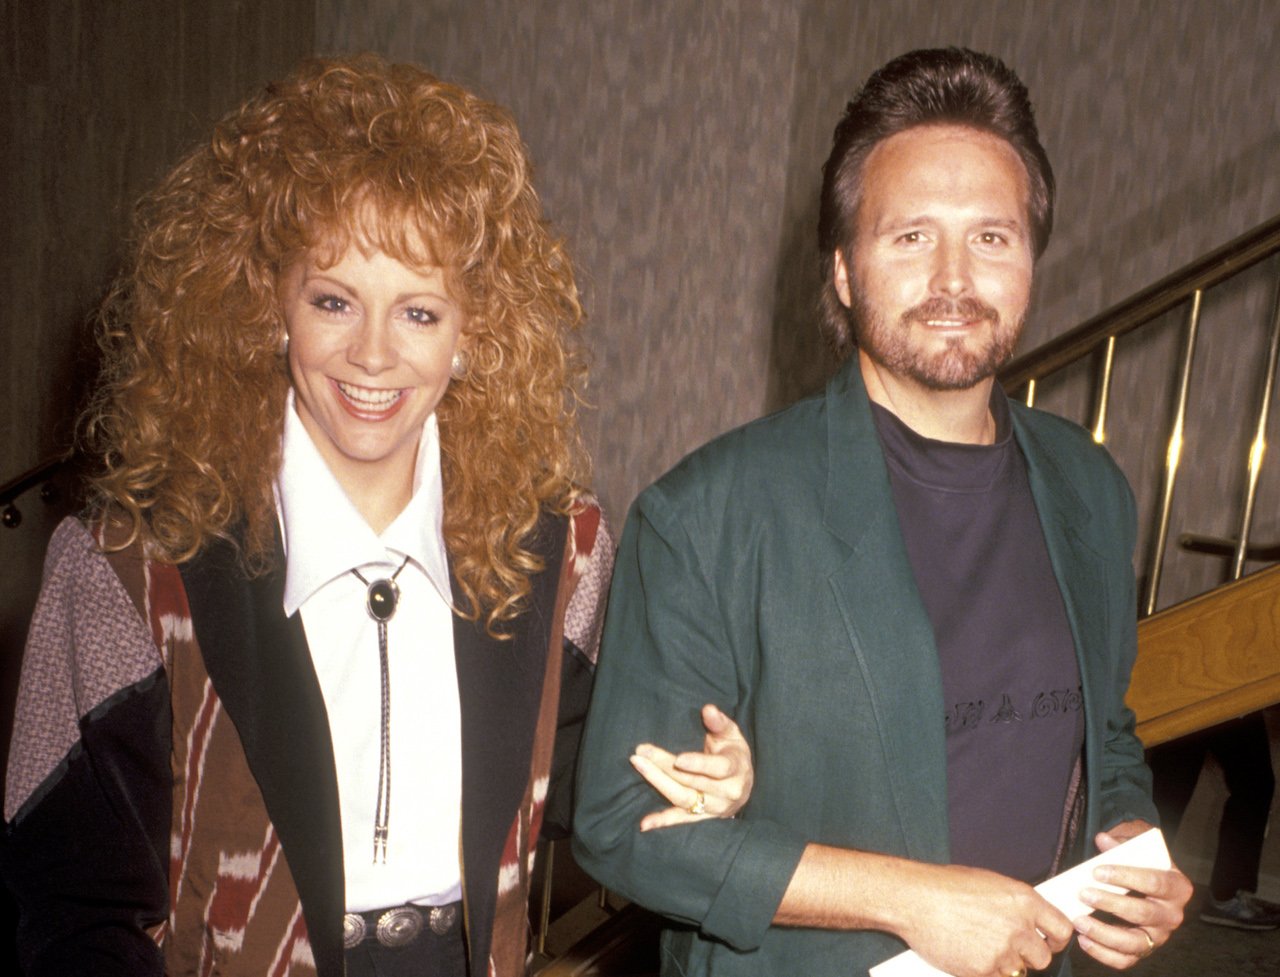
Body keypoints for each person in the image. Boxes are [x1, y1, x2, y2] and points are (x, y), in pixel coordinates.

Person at [0, 55, 745, 977]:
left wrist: (713, 772)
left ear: (474, 332)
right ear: (268, 304)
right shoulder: (128, 563)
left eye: (419, 313)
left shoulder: (558, 547)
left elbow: (611, 777)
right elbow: (72, 910)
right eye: (334, 301)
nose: (373, 355)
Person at [573, 47, 1194, 977]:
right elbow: (623, 827)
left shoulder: (1091, 488)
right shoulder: (708, 514)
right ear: (843, 270)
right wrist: (911, 898)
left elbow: (1103, 735)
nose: (955, 278)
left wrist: (1132, 841)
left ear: (1030, 260)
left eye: (992, 237)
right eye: (910, 237)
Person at [1147, 711, 1280, 930]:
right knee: (1170, 788)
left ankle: (1135, 886)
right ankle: (1225, 896)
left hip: (1198, 699)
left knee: (1169, 786)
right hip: (1216, 697)